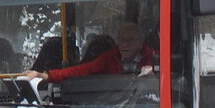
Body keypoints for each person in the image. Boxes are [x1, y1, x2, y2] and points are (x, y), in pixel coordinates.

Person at [20, 22, 156, 82]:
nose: (124, 44)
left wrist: (156, 76)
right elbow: (81, 71)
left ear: (141, 43)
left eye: (130, 40)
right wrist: (44, 75)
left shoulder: (155, 59)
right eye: (121, 39)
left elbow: (173, 78)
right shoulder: (110, 58)